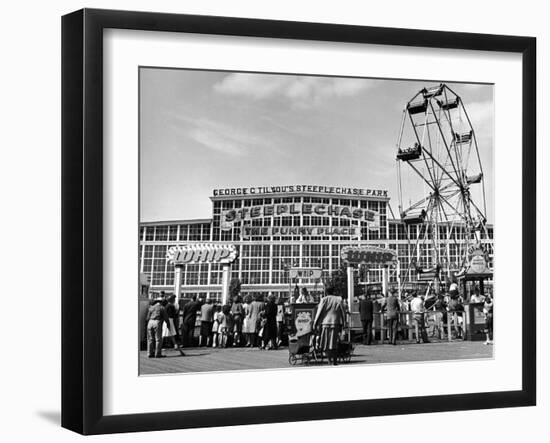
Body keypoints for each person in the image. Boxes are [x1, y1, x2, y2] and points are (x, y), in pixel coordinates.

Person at [313, 284, 346, 365]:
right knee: (334, 342)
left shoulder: (324, 300)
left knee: (326, 343)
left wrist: (315, 323)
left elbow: (319, 312)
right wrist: (344, 322)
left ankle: (329, 360)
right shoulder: (338, 299)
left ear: (326, 291)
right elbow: (343, 312)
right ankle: (334, 360)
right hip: (335, 323)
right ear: (333, 291)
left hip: (325, 324)